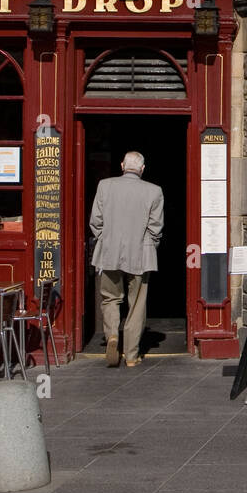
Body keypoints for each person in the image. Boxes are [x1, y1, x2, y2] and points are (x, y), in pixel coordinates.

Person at [89, 151, 163, 367]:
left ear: (122, 165)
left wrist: (105, 240)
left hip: (109, 253)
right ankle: (131, 355)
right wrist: (149, 246)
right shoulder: (154, 191)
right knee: (137, 304)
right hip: (140, 254)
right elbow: (156, 227)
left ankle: (112, 335)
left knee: (110, 298)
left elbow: (95, 221)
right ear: (142, 168)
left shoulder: (104, 185)